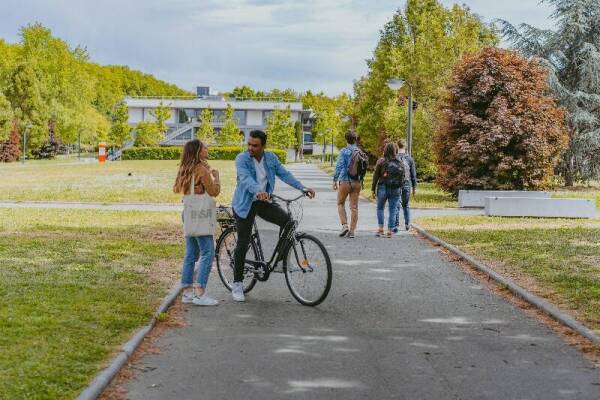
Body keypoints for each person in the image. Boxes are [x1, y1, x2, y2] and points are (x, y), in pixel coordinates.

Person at [231, 130, 316, 302]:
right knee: (243, 242)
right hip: (245, 204)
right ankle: (237, 284)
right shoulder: (242, 159)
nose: (250, 148)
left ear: (263, 146)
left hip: (263, 201)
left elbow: (284, 174)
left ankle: (280, 262)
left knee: (288, 222)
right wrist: (259, 191)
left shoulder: (270, 158)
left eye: (254, 145)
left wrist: (302, 187)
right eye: (249, 144)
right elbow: (246, 179)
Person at [173, 139, 221, 306]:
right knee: (208, 252)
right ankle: (200, 293)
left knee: (191, 254)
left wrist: (197, 187)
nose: (207, 149)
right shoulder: (201, 169)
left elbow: (176, 188)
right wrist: (216, 177)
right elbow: (214, 191)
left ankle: (187, 292)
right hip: (201, 216)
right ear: (198, 152)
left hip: (188, 214)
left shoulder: (184, 169)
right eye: (204, 148)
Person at [332, 130, 362, 238]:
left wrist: (335, 180)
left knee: (340, 203)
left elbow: (339, 166)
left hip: (345, 181)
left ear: (346, 139)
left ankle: (344, 226)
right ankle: (352, 231)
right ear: (355, 139)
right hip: (357, 182)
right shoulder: (359, 152)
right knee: (354, 207)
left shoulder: (344, 151)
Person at [371, 142, 403, 238]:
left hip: (382, 187)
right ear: (395, 151)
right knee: (393, 210)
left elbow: (375, 176)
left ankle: (381, 229)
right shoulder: (399, 161)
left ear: (385, 150)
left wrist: (373, 189)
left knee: (380, 208)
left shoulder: (381, 161)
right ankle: (390, 230)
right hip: (395, 188)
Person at [394, 139, 417, 232]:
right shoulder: (410, 159)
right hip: (407, 184)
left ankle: (395, 225)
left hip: (396, 184)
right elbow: (413, 175)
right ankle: (407, 224)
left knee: (396, 204)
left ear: (397, 146)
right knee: (406, 204)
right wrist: (414, 187)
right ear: (405, 146)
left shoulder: (394, 158)